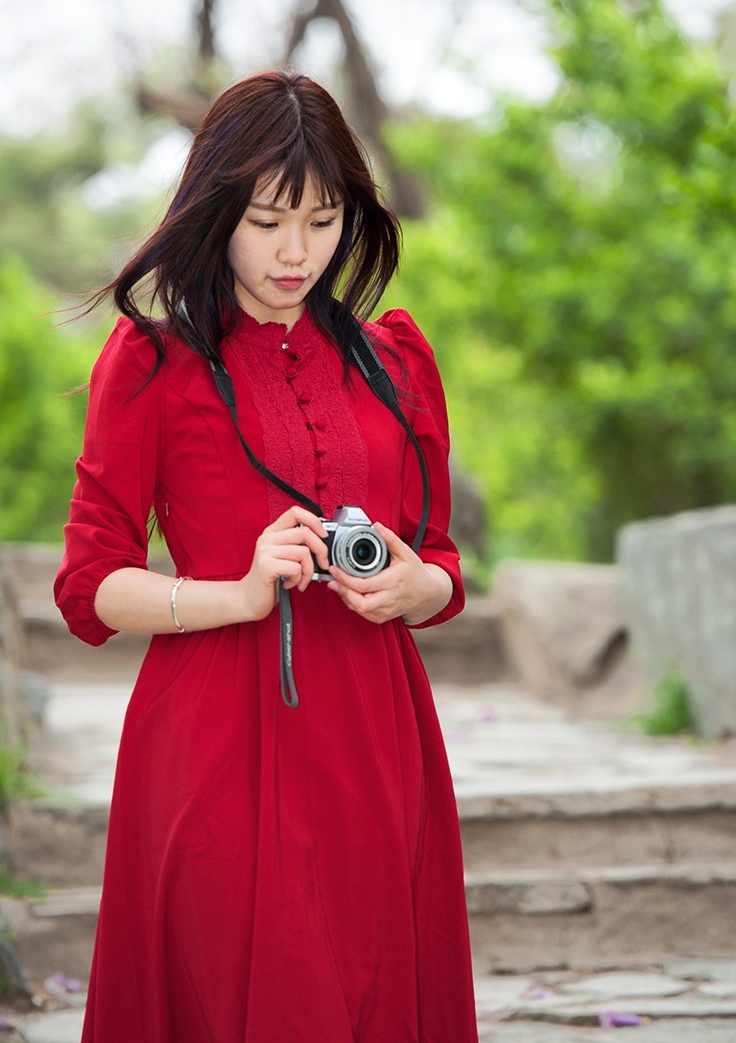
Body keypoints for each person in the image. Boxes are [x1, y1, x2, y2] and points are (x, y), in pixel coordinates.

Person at [54, 71, 479, 1042]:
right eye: (268, 220)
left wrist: (416, 585)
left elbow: (442, 560)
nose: (296, 252)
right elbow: (89, 587)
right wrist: (238, 594)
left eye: (322, 221)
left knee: (369, 993)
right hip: (214, 741)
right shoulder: (152, 362)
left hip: (376, 740)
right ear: (216, 209)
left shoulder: (395, 358)